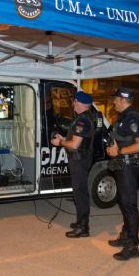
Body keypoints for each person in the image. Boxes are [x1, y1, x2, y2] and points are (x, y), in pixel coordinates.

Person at [106, 88, 139, 261]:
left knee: (129, 205)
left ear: (123, 100)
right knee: (123, 203)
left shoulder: (133, 117)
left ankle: (132, 245)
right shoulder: (122, 117)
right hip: (122, 165)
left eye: (115, 99)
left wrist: (119, 151)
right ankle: (125, 235)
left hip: (129, 166)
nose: (113, 102)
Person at [50, 90, 95, 238]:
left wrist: (60, 142)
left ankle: (83, 227)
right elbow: (77, 140)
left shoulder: (82, 120)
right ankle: (81, 222)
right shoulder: (86, 118)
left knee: (80, 193)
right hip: (81, 159)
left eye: (74, 101)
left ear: (80, 103)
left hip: (79, 160)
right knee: (79, 192)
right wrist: (64, 138)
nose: (73, 104)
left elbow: (75, 145)